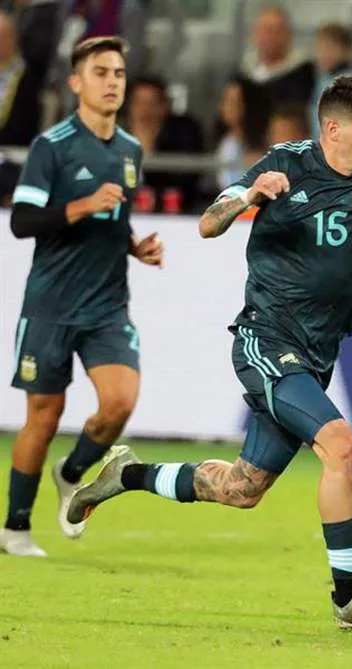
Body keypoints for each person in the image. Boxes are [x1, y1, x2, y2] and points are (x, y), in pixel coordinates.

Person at [66, 76, 352, 629]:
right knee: (341, 446)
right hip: (266, 340)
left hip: (317, 354)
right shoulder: (286, 165)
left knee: (241, 489)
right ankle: (348, 595)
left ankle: (126, 475)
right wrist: (250, 195)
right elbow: (209, 224)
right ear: (332, 129)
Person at [0, 37, 164, 558]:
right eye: (100, 72)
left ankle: (71, 475)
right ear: (77, 83)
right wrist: (82, 204)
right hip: (50, 304)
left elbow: (112, 218)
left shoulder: (130, 150)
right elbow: (23, 221)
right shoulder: (53, 146)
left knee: (120, 401)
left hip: (106, 304)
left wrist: (136, 246)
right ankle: (15, 527)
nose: (112, 80)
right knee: (43, 418)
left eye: (118, 71)